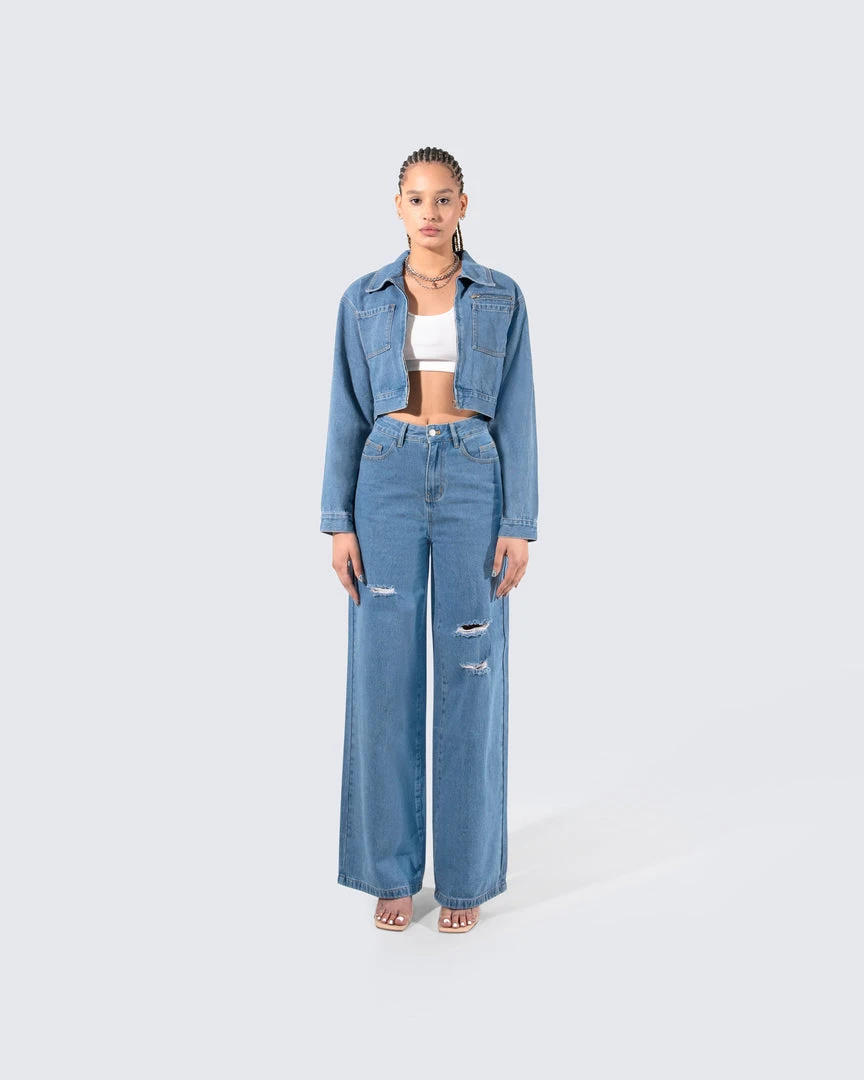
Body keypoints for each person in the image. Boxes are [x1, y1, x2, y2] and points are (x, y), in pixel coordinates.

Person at [320, 146, 538, 933]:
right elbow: (347, 410)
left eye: (444, 198)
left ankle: (467, 877)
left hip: (474, 476)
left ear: (463, 206)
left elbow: (519, 410)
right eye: (417, 198)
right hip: (386, 475)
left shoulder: (501, 296)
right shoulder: (363, 299)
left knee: (472, 668)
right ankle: (389, 872)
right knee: (383, 673)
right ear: (398, 207)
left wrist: (519, 524)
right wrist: (338, 521)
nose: (431, 212)